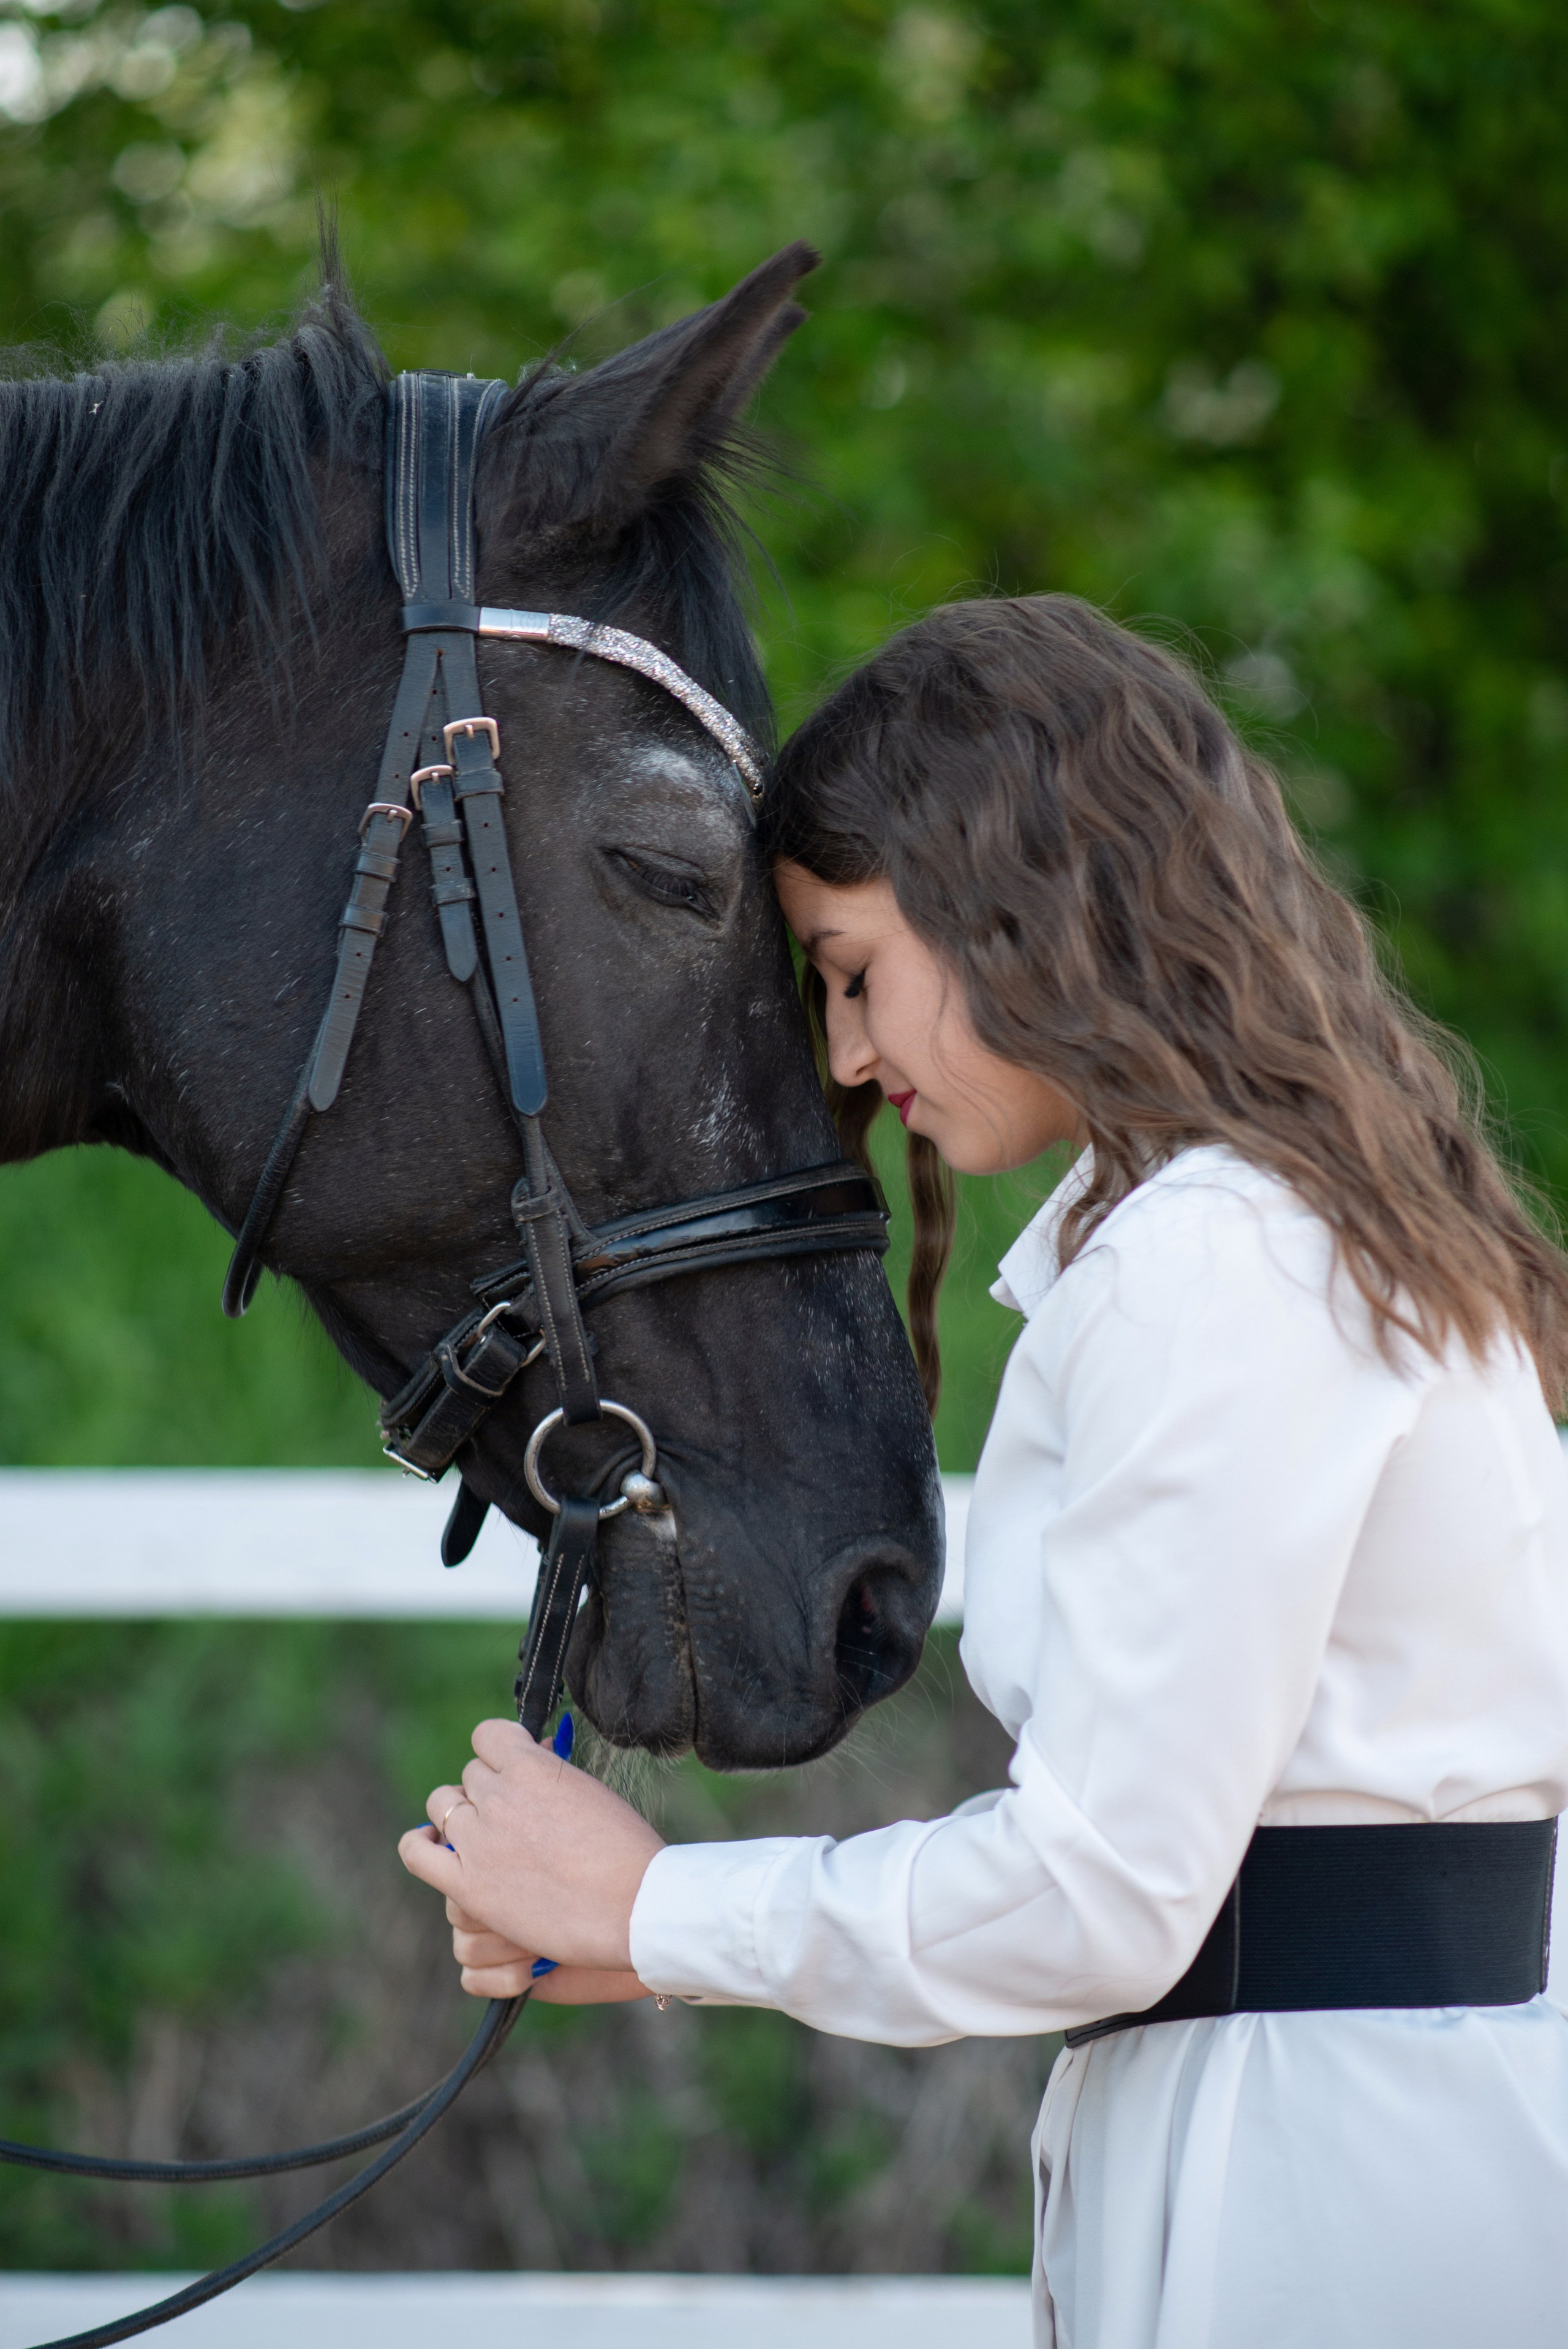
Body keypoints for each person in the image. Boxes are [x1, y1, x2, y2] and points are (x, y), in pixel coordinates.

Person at [400, 594, 1568, 2349]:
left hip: (1321, 2192)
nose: (851, 1055)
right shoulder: (1288, 1237)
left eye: (856, 970)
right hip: (1364, 2148)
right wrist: (648, 1934)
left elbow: (1102, 1891)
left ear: (1017, 896)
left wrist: (659, 1898)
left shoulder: (1226, 1261)